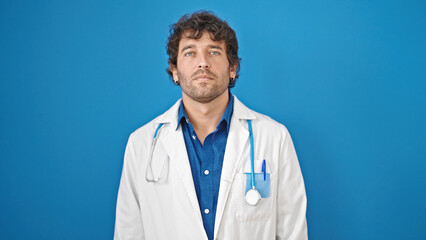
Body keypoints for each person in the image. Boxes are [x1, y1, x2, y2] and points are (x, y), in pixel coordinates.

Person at [114, 11, 308, 240]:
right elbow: (129, 233)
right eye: (190, 53)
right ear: (174, 70)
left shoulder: (275, 138)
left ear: (233, 68)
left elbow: (293, 233)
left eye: (214, 52)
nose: (203, 63)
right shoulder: (141, 144)